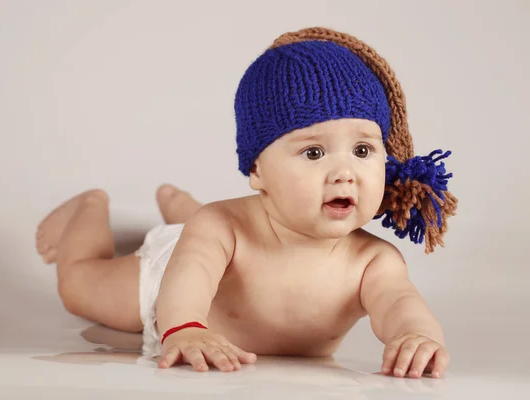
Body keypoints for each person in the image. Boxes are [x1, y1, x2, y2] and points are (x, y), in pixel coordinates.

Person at [35, 27, 457, 379]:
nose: (345, 172)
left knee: (201, 223)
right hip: (169, 280)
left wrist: (417, 335)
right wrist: (184, 328)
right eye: (314, 153)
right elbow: (193, 273)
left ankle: (177, 202)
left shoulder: (372, 262)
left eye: (363, 151)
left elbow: (398, 304)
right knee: (80, 286)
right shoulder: (221, 225)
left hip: (211, 240)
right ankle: (88, 207)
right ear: (257, 171)